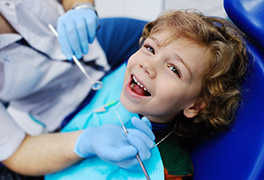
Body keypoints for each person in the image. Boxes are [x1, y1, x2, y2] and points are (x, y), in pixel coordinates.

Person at [45, 9, 250, 180]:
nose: (147, 65)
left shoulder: (171, 169)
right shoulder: (118, 77)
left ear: (194, 106)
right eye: (150, 48)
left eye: (174, 69)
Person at [0, 0, 153, 179]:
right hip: (63, 107)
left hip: (99, 43)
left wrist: (80, 6)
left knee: (174, 46)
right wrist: (86, 141)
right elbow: (17, 150)